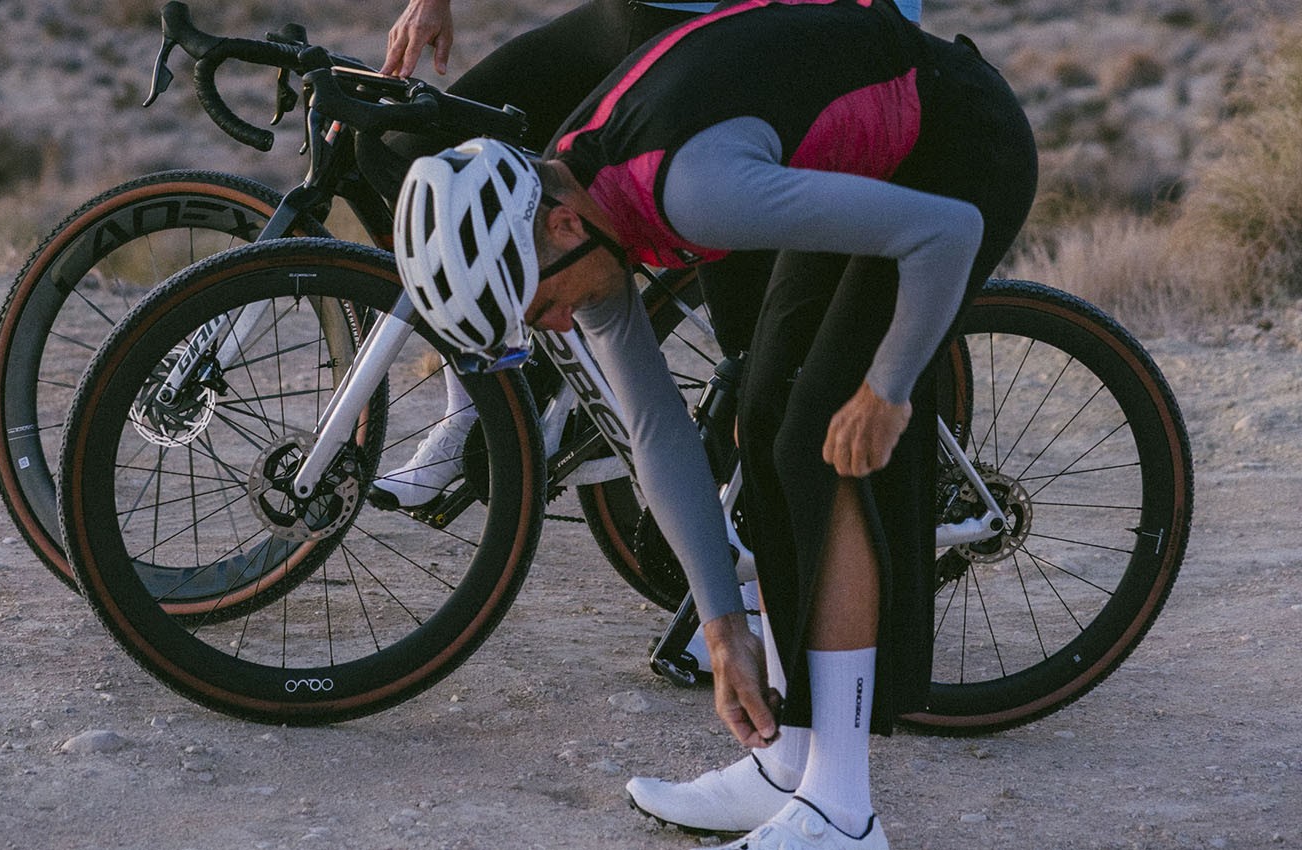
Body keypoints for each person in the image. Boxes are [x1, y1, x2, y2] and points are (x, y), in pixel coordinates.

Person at [391, 0, 1036, 847]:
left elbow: (945, 232)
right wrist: (721, 625)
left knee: (822, 438)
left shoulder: (694, 194)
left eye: (539, 303)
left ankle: (842, 811)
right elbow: (654, 432)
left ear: (559, 225)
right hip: (864, 156)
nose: (554, 323)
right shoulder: (571, 208)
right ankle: (786, 761)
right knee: (761, 423)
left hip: (956, 143)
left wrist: (889, 391)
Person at [371, 0, 921, 508]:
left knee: (760, 362)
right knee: (411, 157)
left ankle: (769, 541)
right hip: (633, 14)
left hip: (742, 28)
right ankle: (482, 405)